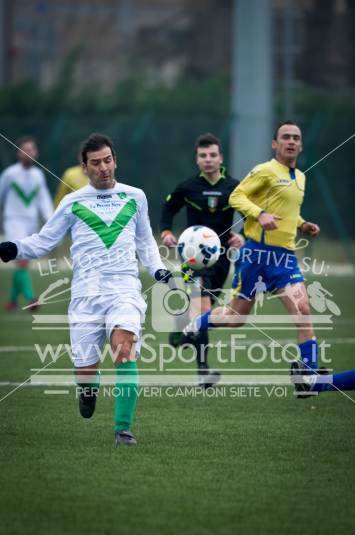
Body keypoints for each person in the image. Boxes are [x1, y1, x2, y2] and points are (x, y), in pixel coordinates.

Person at [0, 133, 173, 446]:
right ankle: (87, 391)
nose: (104, 167)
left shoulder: (135, 196)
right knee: (86, 371)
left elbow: (146, 241)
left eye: (108, 160)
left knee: (125, 349)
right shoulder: (72, 201)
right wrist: (12, 248)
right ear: (85, 167)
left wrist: (158, 268)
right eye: (96, 163)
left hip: (124, 287)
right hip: (85, 294)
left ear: (115, 160)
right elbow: (44, 240)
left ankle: (123, 429)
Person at [182, 121, 325, 380]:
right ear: (275, 144)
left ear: (301, 145)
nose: (291, 141)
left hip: (285, 258)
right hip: (256, 256)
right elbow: (236, 196)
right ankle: (196, 324)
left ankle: (309, 375)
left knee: (303, 309)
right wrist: (259, 214)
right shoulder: (265, 171)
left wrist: (303, 224)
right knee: (235, 318)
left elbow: (286, 211)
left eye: (296, 138)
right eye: (285, 137)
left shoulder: (301, 177)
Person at [160, 132, 244, 387]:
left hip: (220, 261)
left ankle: (183, 328)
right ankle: (203, 370)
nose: (208, 160)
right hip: (192, 261)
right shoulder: (187, 187)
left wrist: (242, 237)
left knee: (208, 315)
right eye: (203, 155)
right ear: (197, 159)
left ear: (221, 158)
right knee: (203, 309)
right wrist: (165, 232)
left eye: (212, 155)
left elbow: (250, 214)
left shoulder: (235, 187)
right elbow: (168, 208)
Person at [0, 135, 53, 311]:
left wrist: (50, 220)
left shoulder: (38, 175)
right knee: (21, 261)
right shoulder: (9, 174)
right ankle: (31, 299)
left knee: (22, 262)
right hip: (13, 221)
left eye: (32, 150)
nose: (30, 153)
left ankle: (12, 301)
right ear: (18, 153)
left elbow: (43, 200)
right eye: (26, 150)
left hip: (31, 223)